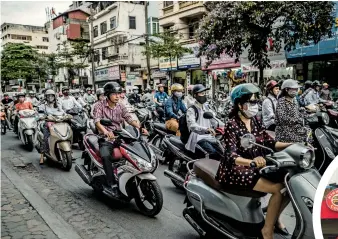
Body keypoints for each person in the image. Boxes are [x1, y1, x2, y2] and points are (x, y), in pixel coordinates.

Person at [216, 83, 292, 239]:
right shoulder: (232, 124)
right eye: (250, 102)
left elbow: (269, 142)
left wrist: (293, 143)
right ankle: (267, 230)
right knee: (278, 190)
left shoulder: (256, 120)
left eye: (256, 101)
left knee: (289, 184)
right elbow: (231, 155)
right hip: (236, 169)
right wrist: (250, 162)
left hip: (257, 165)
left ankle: (275, 218)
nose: (254, 105)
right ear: (239, 104)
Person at [93, 82, 146, 196]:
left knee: (134, 150)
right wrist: (106, 132)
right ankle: (111, 183)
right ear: (107, 94)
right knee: (106, 156)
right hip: (105, 138)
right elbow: (97, 122)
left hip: (120, 135)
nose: (117, 96)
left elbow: (129, 118)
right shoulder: (99, 105)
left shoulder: (120, 105)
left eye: (118, 93)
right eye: (114, 94)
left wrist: (140, 127)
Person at [185, 84, 223, 158]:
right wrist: (206, 129)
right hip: (198, 137)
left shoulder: (207, 107)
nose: (204, 95)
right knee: (213, 153)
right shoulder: (191, 110)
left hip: (209, 136)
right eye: (201, 93)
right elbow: (192, 126)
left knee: (222, 152)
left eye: (204, 93)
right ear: (195, 95)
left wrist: (223, 126)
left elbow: (214, 120)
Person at [38, 89, 64, 165]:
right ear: (45, 97)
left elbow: (62, 111)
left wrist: (65, 115)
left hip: (58, 122)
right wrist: (42, 117)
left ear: (54, 96)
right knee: (45, 138)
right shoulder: (43, 105)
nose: (50, 97)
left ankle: (69, 151)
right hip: (48, 123)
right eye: (48, 96)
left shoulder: (58, 104)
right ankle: (42, 156)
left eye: (51, 95)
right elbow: (39, 113)